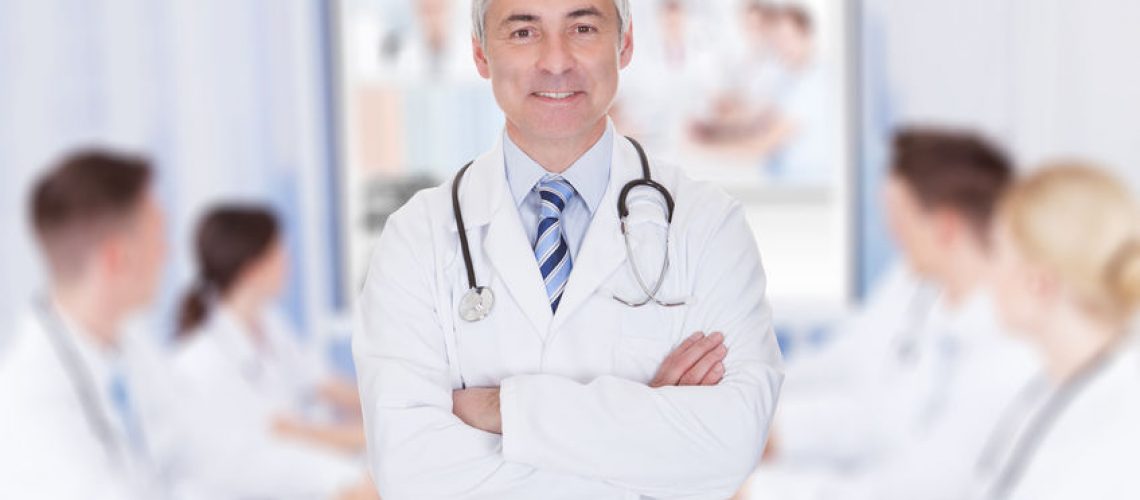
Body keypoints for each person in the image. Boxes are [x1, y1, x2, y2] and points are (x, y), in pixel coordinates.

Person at [352, 0, 784, 498]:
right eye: (523, 32)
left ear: (624, 44)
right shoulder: (416, 238)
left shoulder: (708, 224)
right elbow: (412, 473)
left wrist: (500, 411)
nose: (556, 61)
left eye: (582, 27)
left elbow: (731, 444)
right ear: (479, 53)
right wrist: (649, 440)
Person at [740, 128, 1039, 499]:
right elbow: (855, 373)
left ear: (945, 226)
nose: (891, 232)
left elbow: (923, 481)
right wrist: (751, 410)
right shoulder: (916, 287)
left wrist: (763, 486)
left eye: (900, 220)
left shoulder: (1005, 345)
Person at [171, 205, 376, 499]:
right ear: (252, 267)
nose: (288, 262)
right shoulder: (202, 360)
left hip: (289, 465)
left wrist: (395, 408)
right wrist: (376, 437)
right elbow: (281, 434)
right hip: (252, 482)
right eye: (279, 252)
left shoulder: (270, 325)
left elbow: (326, 386)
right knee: (367, 485)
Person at [0, 150, 171, 499]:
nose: (166, 253)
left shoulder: (127, 349)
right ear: (117, 258)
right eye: (157, 238)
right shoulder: (31, 400)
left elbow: (188, 456)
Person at [973, 164, 1140, 499]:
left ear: (1039, 284)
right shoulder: (1053, 381)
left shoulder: (1121, 420)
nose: (987, 276)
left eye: (996, 253)